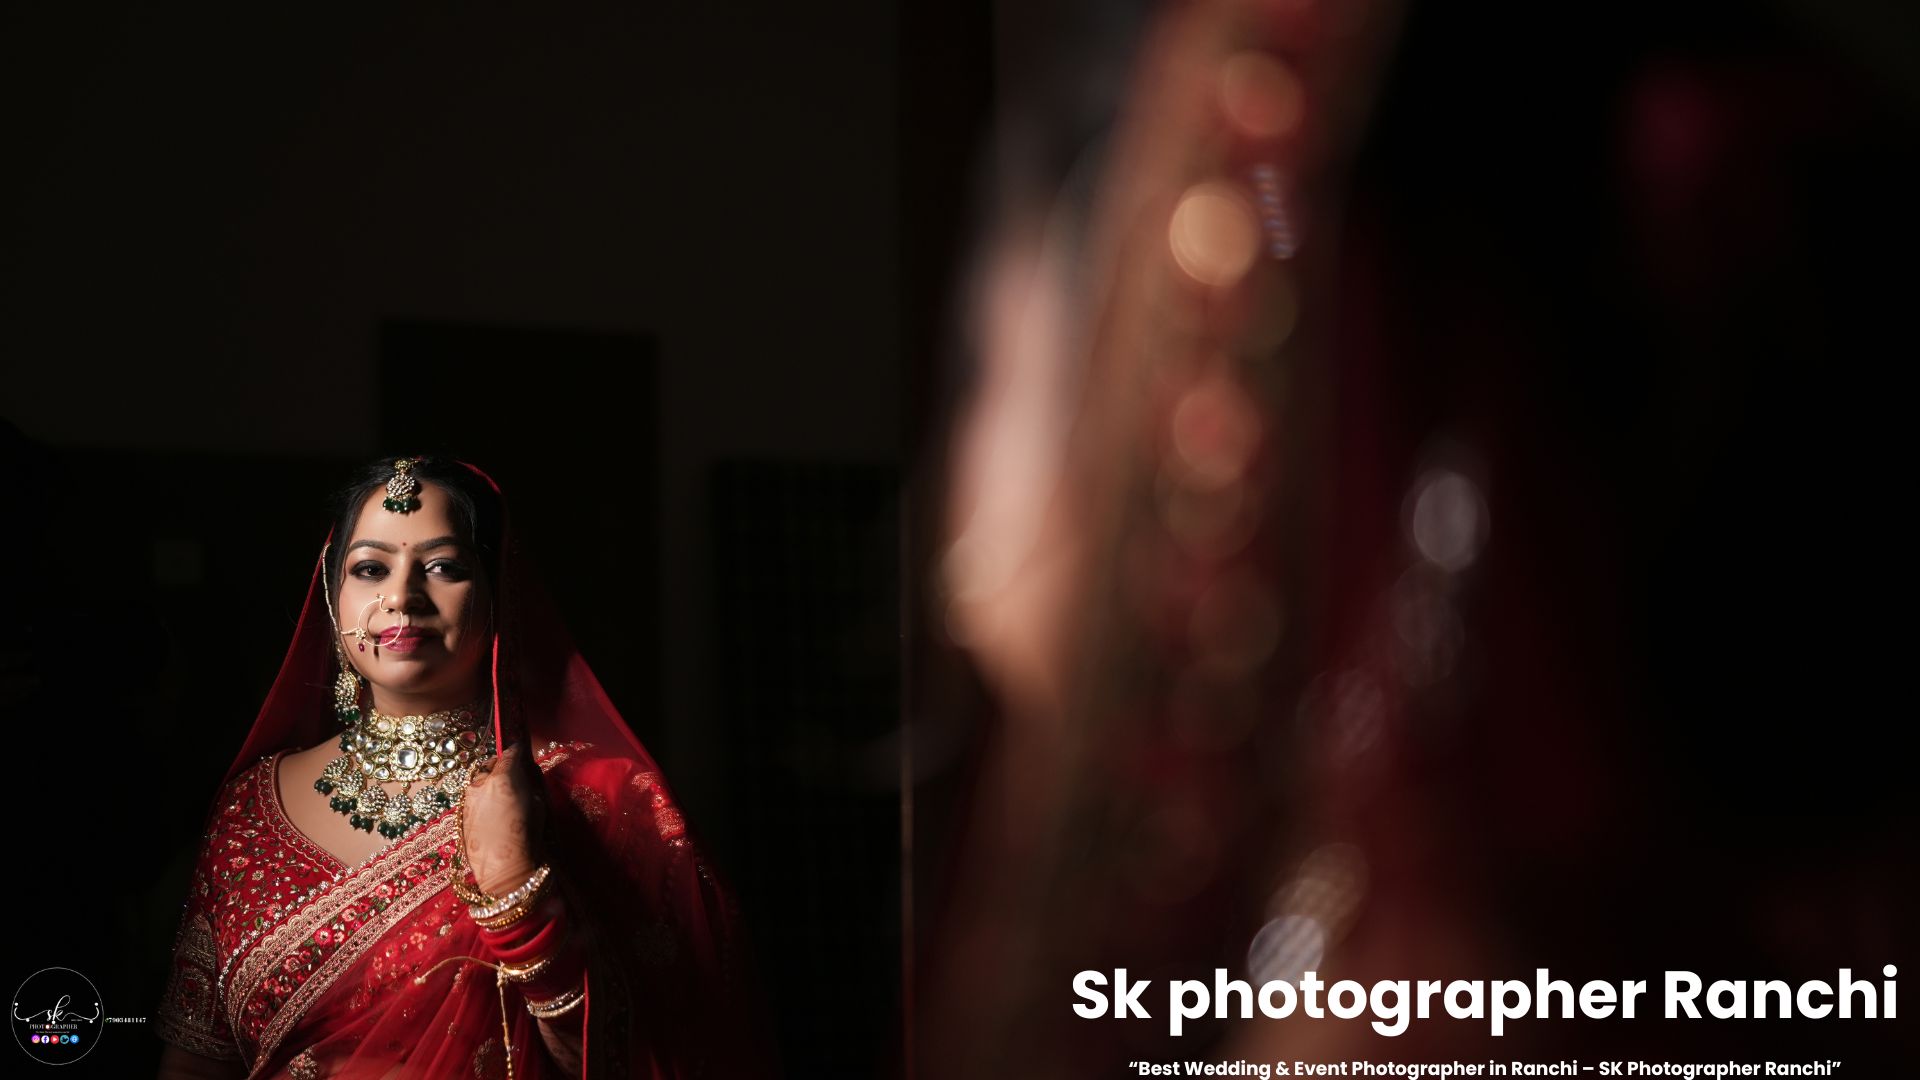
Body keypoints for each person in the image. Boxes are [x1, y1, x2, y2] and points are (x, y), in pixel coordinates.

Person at [155, 456, 751, 1078]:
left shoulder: (598, 798)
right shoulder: (250, 806)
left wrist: (516, 892)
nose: (402, 597)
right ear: (332, 602)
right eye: (370, 568)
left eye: (443, 567)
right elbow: (197, 1058)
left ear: (499, 597)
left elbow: (656, 1055)